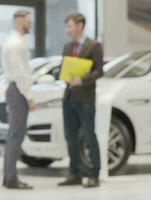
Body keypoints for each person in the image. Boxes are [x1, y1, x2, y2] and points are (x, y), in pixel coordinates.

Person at [57, 13, 103, 188]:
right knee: (70, 136)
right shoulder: (68, 46)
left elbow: (100, 71)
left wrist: (82, 79)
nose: (67, 30)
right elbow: (63, 68)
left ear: (80, 25)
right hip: (68, 96)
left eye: (69, 26)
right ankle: (74, 173)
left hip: (85, 98)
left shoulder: (94, 46)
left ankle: (94, 174)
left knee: (90, 135)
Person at [1, 10, 36, 190]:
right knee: (16, 136)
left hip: (14, 89)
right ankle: (11, 178)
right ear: (20, 22)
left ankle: (8, 177)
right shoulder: (16, 44)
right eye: (28, 21)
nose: (30, 24)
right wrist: (29, 97)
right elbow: (20, 73)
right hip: (18, 91)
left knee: (13, 136)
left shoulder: (14, 41)